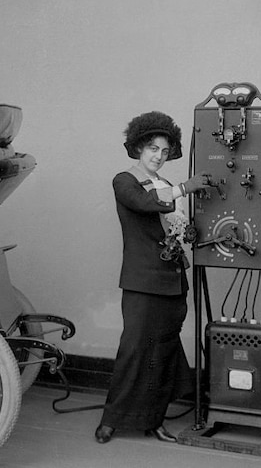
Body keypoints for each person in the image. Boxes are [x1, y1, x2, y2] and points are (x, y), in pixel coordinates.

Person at [95, 111, 211, 444]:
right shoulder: (125, 181)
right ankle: (111, 420)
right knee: (133, 351)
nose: (158, 156)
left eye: (163, 150)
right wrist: (184, 188)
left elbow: (180, 227)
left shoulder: (164, 185)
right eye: (152, 149)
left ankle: (154, 420)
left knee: (163, 352)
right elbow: (144, 204)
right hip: (142, 282)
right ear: (138, 149)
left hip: (173, 281)